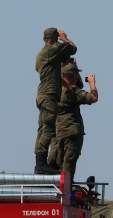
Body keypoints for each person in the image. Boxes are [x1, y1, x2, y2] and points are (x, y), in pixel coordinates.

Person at [34, 28, 77, 174]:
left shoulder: (43, 54)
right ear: (54, 39)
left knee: (42, 129)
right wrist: (65, 38)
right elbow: (73, 49)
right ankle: (40, 165)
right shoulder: (51, 50)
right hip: (49, 96)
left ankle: (40, 163)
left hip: (43, 95)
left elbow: (53, 72)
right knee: (49, 129)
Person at [49, 61, 98, 181]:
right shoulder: (73, 92)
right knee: (68, 165)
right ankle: (66, 190)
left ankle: (54, 188)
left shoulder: (53, 90)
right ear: (73, 75)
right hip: (72, 133)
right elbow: (93, 97)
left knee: (54, 162)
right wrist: (92, 83)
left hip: (57, 132)